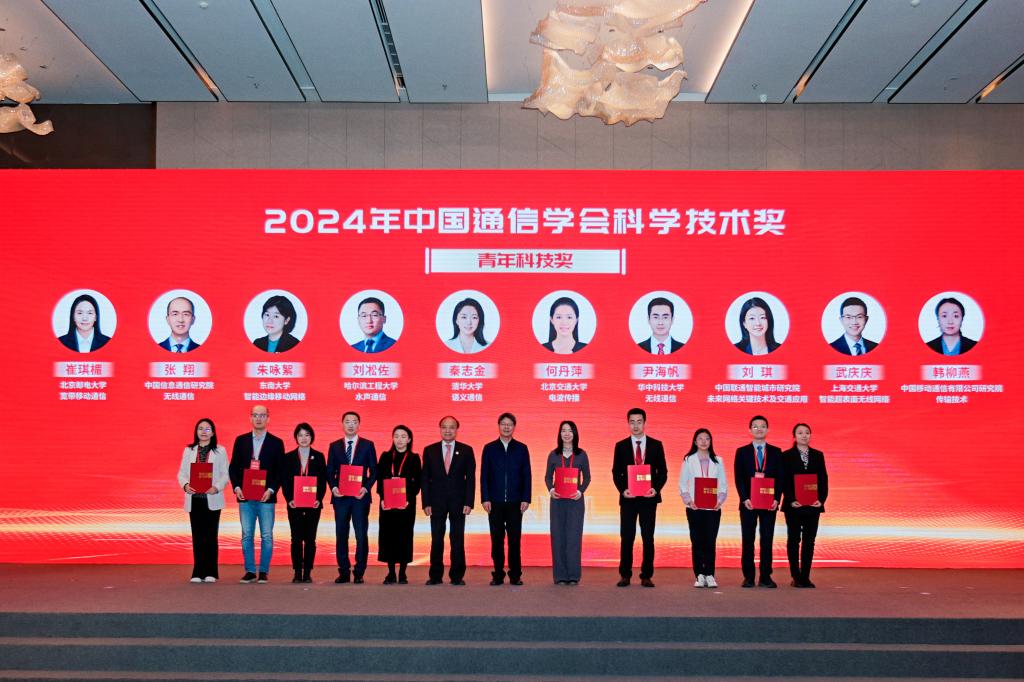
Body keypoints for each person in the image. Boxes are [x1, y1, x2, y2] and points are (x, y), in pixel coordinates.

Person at [228, 405, 285, 584]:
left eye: (262, 415)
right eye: (255, 415)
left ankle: (263, 571)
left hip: (266, 497)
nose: (258, 418)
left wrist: (271, 490)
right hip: (245, 496)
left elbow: (280, 471)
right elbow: (233, 467)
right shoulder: (241, 440)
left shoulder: (276, 442)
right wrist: (237, 487)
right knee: (247, 535)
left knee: (266, 535)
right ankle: (250, 571)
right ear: (250, 418)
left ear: (268, 418)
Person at [611, 407, 667, 588]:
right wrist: (623, 490)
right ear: (628, 423)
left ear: (645, 423)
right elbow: (616, 472)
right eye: (632, 422)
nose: (636, 426)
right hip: (629, 499)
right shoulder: (620, 446)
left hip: (648, 499)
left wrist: (655, 489)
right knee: (627, 537)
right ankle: (625, 575)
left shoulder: (656, 445)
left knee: (648, 537)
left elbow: (663, 472)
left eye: (639, 422)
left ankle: (646, 575)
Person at [421, 416, 475, 585]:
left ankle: (457, 576)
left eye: (451, 427)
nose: (448, 430)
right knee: (436, 538)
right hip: (436, 502)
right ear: (440, 429)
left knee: (457, 538)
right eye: (444, 427)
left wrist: (469, 502)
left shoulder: (466, 450)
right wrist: (426, 502)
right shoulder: (430, 450)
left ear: (457, 430)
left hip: (459, 502)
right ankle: (435, 575)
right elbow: (425, 479)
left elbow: (470, 479)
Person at [326, 411, 378, 584]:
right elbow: (329, 470)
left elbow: (374, 471)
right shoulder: (334, 446)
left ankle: (359, 571)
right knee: (341, 534)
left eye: (354, 421)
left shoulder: (368, 445)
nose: (351, 425)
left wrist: (365, 488)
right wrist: (333, 487)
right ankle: (343, 571)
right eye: (347, 421)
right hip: (340, 497)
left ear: (359, 425)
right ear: (342, 424)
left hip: (359, 498)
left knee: (361, 534)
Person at [480, 413, 532, 586]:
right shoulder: (489, 448)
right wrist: (485, 498)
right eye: (503, 424)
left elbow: (527, 475)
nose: (506, 427)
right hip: (494, 502)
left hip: (516, 502)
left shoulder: (522, 448)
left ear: (514, 427)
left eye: (510, 424)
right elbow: (484, 475)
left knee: (514, 540)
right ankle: (498, 574)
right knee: (496, 540)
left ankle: (515, 575)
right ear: (499, 426)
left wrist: (526, 498)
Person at [176, 417, 229, 583]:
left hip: (212, 498)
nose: (204, 432)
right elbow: (181, 473)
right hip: (194, 499)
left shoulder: (220, 450)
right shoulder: (189, 450)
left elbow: (225, 474)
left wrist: (217, 487)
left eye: (207, 429)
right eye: (200, 428)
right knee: (197, 536)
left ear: (213, 433)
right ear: (196, 432)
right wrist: (185, 485)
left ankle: (211, 571)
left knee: (210, 536)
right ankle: (198, 571)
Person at [734, 415, 783, 588]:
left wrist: (777, 499)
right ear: (750, 430)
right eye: (755, 426)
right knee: (748, 539)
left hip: (769, 503)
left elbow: (781, 478)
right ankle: (748, 576)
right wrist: (744, 498)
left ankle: (765, 577)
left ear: (767, 430)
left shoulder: (776, 452)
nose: (759, 429)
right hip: (749, 503)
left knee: (767, 540)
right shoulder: (742, 452)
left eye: (763, 426)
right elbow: (739, 478)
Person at [678, 428, 727, 589]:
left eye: (707, 438)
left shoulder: (718, 460)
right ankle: (699, 574)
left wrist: (719, 500)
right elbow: (682, 483)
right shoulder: (688, 460)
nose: (704, 441)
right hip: (694, 507)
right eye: (700, 438)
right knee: (697, 541)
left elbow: (723, 484)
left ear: (711, 441)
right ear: (695, 441)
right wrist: (689, 500)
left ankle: (710, 575)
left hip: (713, 509)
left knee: (710, 541)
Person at [782, 423, 829, 588]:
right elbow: (784, 480)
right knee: (794, 540)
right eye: (800, 433)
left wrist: (821, 499)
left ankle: (805, 577)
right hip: (793, 506)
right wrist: (790, 499)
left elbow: (823, 480)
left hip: (813, 505)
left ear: (810, 435)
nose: (804, 435)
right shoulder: (786, 456)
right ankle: (796, 576)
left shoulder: (818, 455)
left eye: (807, 432)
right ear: (794, 436)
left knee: (809, 541)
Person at [544, 420, 591, 585]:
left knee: (573, 537)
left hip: (575, 501)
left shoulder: (581, 454)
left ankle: (573, 575)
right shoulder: (553, 455)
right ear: (559, 434)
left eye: (570, 431)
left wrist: (581, 491)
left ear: (575, 434)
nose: (566, 434)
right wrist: (551, 489)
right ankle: (560, 576)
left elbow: (587, 477)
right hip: (557, 501)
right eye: (563, 430)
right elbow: (548, 477)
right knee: (558, 537)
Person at [280, 423, 327, 584]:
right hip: (295, 504)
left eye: (307, 435)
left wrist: (319, 498)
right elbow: (285, 481)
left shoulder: (319, 456)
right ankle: (297, 572)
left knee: (310, 539)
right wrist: (289, 499)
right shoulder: (288, 457)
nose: (304, 438)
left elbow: (322, 481)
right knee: (296, 539)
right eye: (300, 435)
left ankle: (307, 572)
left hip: (313, 504)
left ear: (311, 437)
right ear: (296, 438)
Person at [376, 425, 422, 585]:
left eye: (403, 436)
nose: (399, 439)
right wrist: (382, 498)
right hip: (387, 504)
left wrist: (408, 498)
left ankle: (402, 573)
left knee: (404, 536)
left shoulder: (414, 458)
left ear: (409, 439)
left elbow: (417, 482)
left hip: (406, 505)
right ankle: (390, 573)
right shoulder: (385, 456)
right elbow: (380, 480)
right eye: (396, 436)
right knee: (388, 536)